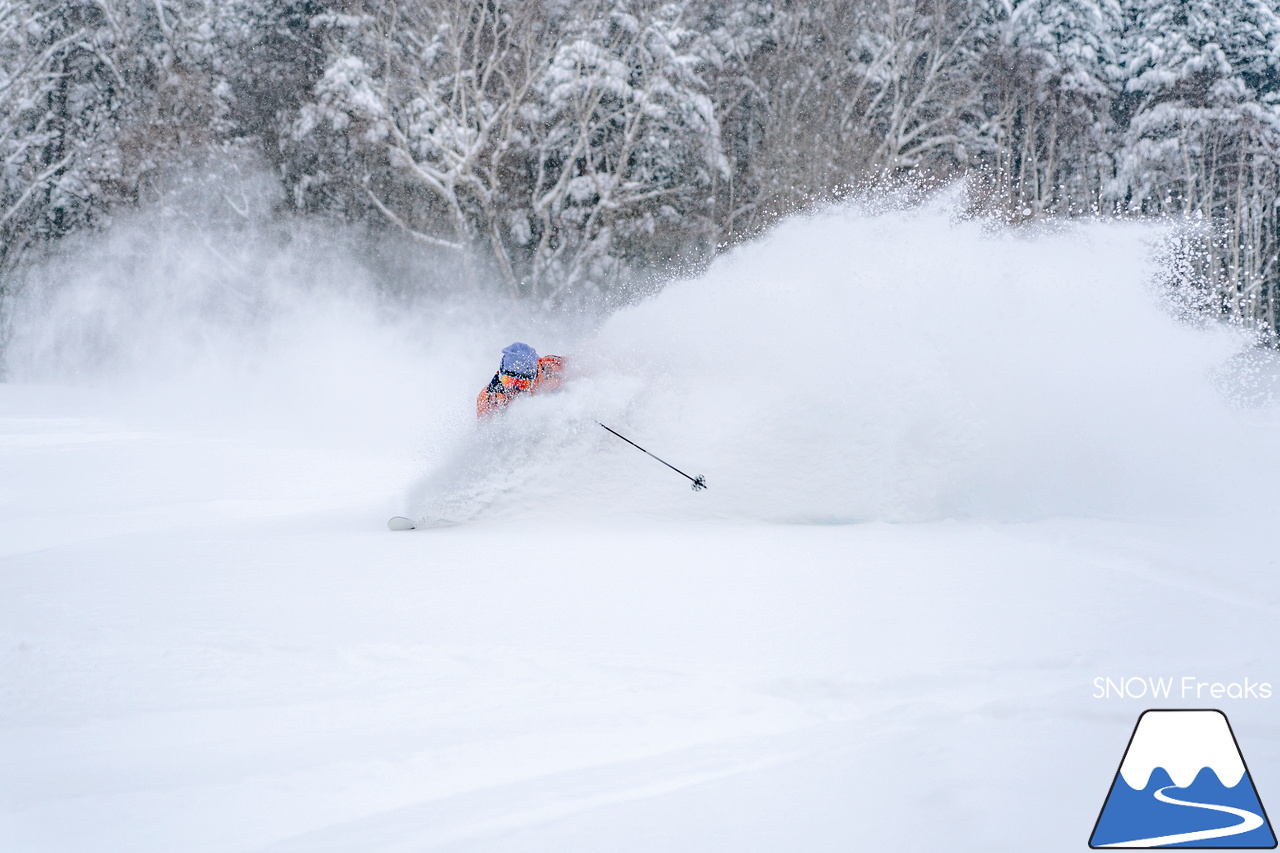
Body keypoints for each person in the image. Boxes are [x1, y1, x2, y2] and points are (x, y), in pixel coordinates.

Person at [476, 342, 566, 418]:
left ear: (534, 378)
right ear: (500, 374)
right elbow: (483, 431)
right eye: (508, 381)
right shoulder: (490, 399)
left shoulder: (551, 371)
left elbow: (576, 365)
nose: (513, 389)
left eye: (522, 384)